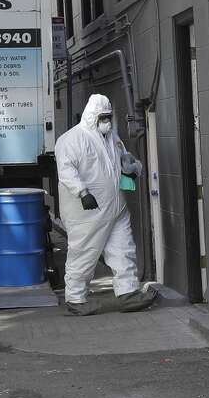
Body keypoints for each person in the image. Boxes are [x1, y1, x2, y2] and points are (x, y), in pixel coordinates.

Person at [55, 93, 155, 316]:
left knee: (123, 249)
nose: (107, 121)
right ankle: (76, 298)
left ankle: (128, 293)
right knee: (84, 252)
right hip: (87, 211)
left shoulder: (112, 137)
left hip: (115, 207)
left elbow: (124, 158)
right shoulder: (71, 140)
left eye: (109, 117)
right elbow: (66, 170)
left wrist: (132, 166)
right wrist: (82, 192)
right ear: (92, 116)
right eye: (103, 117)